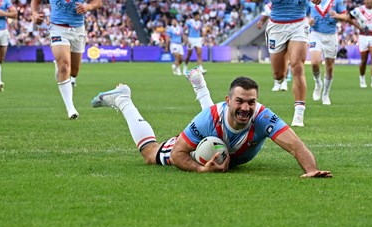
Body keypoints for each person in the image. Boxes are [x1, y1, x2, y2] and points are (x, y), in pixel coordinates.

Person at [91, 68, 332, 177]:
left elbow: (295, 145)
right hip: (202, 139)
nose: (247, 108)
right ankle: (123, 100)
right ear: (228, 99)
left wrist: (312, 171)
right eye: (240, 101)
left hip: (218, 131)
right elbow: (177, 154)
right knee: (150, 154)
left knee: (220, 125)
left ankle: (199, 85)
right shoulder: (208, 119)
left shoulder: (262, 116)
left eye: (251, 102)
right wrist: (201, 169)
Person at [249, 0, 325, 127]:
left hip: (299, 24)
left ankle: (299, 113)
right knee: (279, 74)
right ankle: (279, 80)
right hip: (276, 26)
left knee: (297, 66)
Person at [30, 0, 103, 119]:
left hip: (78, 29)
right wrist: (35, 14)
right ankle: (71, 108)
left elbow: (97, 0)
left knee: (74, 71)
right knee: (64, 65)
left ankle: (68, 75)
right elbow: (35, 1)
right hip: (57, 29)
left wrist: (88, 7)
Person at [306, 0, 357, 105]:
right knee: (314, 62)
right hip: (315, 33)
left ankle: (326, 94)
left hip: (331, 35)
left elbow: (346, 16)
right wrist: (308, 21)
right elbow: (303, 15)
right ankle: (318, 83)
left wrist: (337, 16)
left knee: (329, 67)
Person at [257, 1, 291, 91]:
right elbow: (264, 16)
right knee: (274, 59)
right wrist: (260, 22)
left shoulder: (288, 4)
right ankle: (276, 82)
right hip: (274, 34)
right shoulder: (268, 6)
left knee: (285, 59)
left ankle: (284, 82)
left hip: (286, 33)